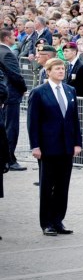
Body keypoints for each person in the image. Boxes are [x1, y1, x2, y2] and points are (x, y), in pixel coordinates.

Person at [27, 58, 82, 235]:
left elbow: (74, 120)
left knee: (62, 185)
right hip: (48, 146)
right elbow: (32, 121)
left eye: (62, 68)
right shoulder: (39, 92)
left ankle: (58, 220)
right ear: (48, 71)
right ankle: (47, 222)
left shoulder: (70, 90)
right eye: (57, 69)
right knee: (47, 185)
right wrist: (35, 146)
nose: (61, 71)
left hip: (66, 146)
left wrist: (77, 143)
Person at [0, 28, 28, 172]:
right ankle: (10, 159)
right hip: (10, 96)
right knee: (11, 128)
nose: (15, 39)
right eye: (13, 36)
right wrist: (23, 88)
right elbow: (15, 75)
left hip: (4, 96)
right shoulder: (7, 54)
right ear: (6, 38)